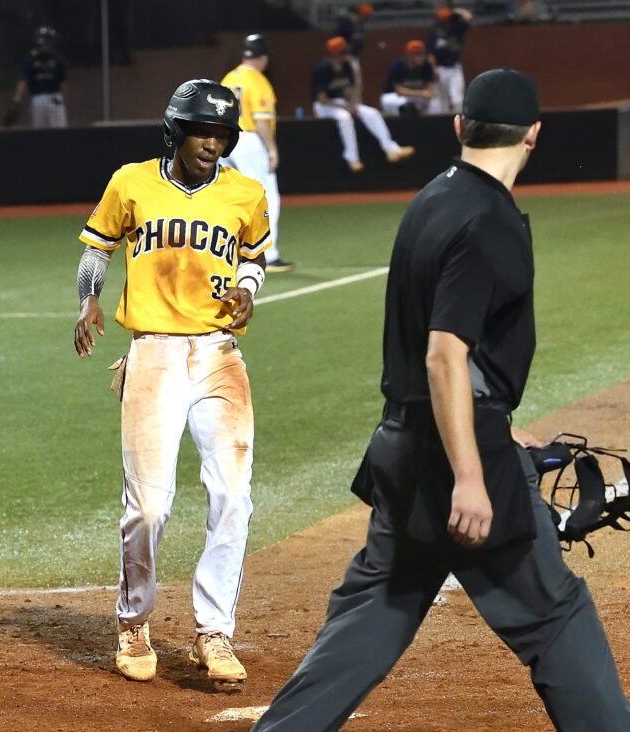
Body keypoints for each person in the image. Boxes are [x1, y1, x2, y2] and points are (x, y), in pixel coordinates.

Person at [252, 68, 630, 732]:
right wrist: (471, 474)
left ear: (459, 128)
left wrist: (495, 426)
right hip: (455, 459)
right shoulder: (491, 219)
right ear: (535, 136)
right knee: (555, 614)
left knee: (373, 616)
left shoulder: (431, 199)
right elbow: (444, 353)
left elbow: (446, 354)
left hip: (400, 448)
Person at [73, 79, 269, 692]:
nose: (211, 143)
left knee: (233, 494)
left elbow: (255, 258)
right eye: (201, 132)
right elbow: (97, 250)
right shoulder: (130, 182)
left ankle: (214, 632)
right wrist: (88, 301)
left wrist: (248, 289)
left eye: (221, 134)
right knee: (150, 505)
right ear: (176, 132)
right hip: (153, 355)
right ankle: (133, 622)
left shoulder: (246, 192)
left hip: (218, 357)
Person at [221, 33, 293, 272]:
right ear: (264, 57)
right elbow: (261, 120)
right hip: (249, 140)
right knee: (266, 196)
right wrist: (272, 148)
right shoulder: (258, 81)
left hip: (225, 138)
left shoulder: (229, 78)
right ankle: (267, 255)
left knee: (230, 198)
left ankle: (225, 252)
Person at [312, 37, 415, 173]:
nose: (347, 55)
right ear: (335, 54)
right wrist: (347, 108)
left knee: (372, 113)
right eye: (343, 52)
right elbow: (322, 98)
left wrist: (353, 104)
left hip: (342, 102)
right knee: (345, 118)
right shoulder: (322, 69)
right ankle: (352, 160)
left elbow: (350, 90)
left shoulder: (347, 66)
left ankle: (391, 149)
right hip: (323, 106)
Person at [10, 25, 68, 128]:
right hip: (38, 98)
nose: (45, 45)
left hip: (54, 97)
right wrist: (17, 99)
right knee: (40, 134)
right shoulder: (32, 59)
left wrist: (17, 100)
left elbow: (63, 82)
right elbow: (23, 80)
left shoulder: (57, 58)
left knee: (60, 133)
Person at [428, 6, 473, 114]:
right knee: (442, 100)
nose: (445, 22)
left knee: (457, 99)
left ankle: (459, 122)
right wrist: (433, 68)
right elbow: (430, 54)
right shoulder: (435, 35)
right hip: (441, 69)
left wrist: (456, 11)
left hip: (454, 68)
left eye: (447, 19)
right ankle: (443, 125)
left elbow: (469, 17)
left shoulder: (457, 30)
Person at [380, 40, 440, 117]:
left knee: (434, 102)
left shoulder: (426, 66)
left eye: (422, 54)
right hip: (396, 97)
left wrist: (425, 93)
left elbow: (429, 88)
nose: (421, 57)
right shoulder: (397, 66)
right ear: (409, 55)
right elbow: (400, 91)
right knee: (396, 102)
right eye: (417, 54)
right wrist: (422, 93)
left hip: (416, 97)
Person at [333, 3, 374, 99]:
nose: (366, 19)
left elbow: (359, 43)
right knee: (344, 82)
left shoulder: (360, 26)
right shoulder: (346, 24)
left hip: (354, 57)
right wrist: (343, 54)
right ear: (360, 14)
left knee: (357, 82)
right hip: (343, 58)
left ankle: (356, 104)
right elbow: (337, 41)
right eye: (365, 16)